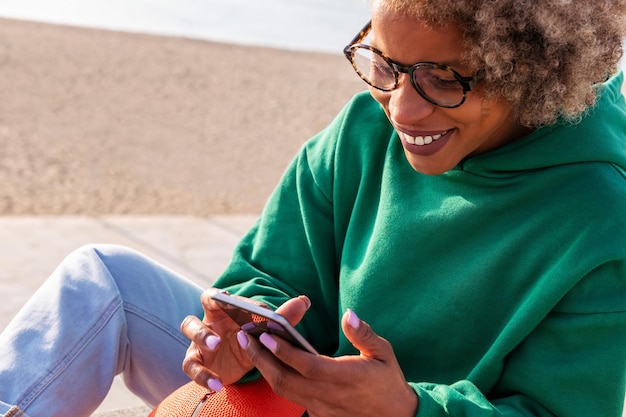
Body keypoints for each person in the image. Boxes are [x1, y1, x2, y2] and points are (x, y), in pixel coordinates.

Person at [2, 0, 626, 416]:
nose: (402, 111)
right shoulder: (361, 128)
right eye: (384, 64)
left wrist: (410, 407)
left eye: (443, 79)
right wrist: (237, 334)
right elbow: (265, 276)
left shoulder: (599, 220)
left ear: (530, 74)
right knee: (102, 277)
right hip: (281, 396)